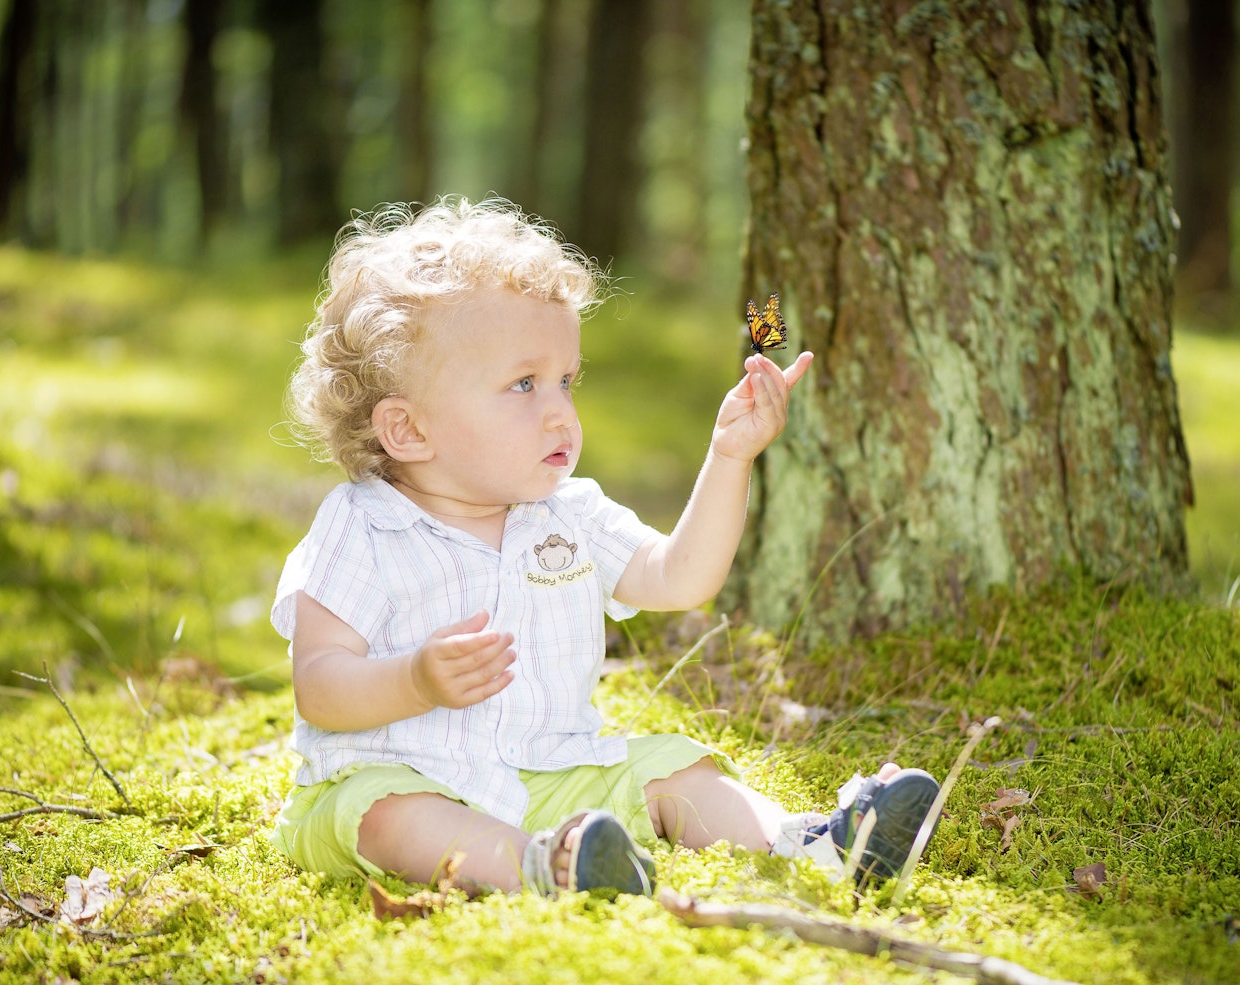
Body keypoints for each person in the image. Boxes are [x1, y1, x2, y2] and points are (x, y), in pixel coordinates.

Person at [269, 196, 939, 897]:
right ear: (407, 430)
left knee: (676, 768)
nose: (560, 409)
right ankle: (542, 869)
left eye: (566, 379)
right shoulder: (362, 525)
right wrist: (415, 681)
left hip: (552, 772)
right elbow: (319, 684)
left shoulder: (568, 515)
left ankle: (814, 844)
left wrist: (730, 456)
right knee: (393, 821)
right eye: (523, 384)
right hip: (392, 776)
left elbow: (680, 577)